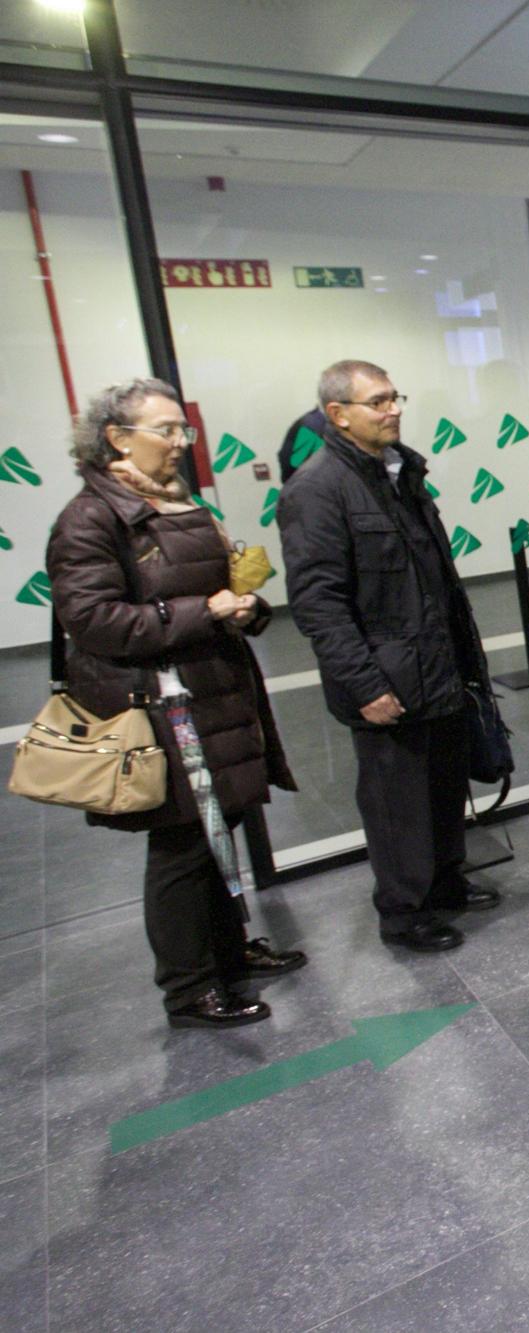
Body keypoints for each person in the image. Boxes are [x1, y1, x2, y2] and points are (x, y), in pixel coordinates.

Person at [46, 378, 303, 1028]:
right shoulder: (90, 517)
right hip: (160, 707)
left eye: (182, 429)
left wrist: (244, 607)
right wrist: (203, 610)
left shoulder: (179, 502)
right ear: (117, 438)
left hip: (212, 689)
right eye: (166, 430)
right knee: (182, 846)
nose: (180, 443)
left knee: (222, 825)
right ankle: (190, 989)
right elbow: (94, 619)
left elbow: (215, 589)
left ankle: (227, 950)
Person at [278, 360, 501, 954]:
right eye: (376, 402)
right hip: (387, 682)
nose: (393, 409)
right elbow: (319, 605)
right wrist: (365, 686)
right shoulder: (317, 490)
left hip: (437, 666)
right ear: (338, 415)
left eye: (394, 397)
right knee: (397, 804)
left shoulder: (400, 474)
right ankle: (405, 913)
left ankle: (447, 883)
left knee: (444, 787)